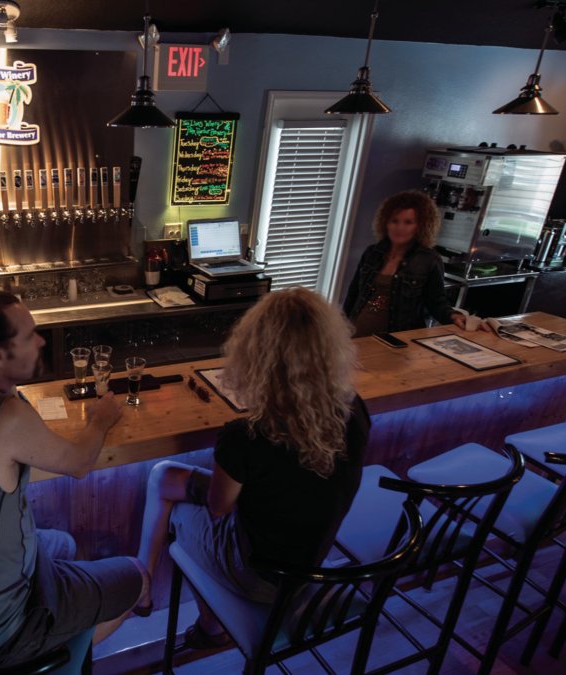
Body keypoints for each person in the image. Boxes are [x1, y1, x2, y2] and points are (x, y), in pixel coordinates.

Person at [0, 291, 148, 669]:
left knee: (61, 543)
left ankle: (62, 631)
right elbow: (79, 462)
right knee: (140, 578)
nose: (41, 341)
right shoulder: (5, 414)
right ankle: (53, 655)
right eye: (29, 334)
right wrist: (100, 419)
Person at [133, 288, 370, 647]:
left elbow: (219, 506)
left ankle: (176, 608)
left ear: (259, 355)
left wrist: (198, 481)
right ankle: (170, 604)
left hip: (262, 576)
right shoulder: (355, 412)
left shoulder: (247, 435)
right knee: (166, 477)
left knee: (172, 500)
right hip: (313, 565)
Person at [343, 190, 466, 337]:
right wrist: (342, 327)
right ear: (385, 223)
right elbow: (353, 295)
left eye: (408, 222)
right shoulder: (372, 253)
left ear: (420, 226)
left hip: (399, 340)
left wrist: (453, 316)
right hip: (358, 335)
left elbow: (437, 302)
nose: (399, 228)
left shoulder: (429, 260)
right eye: (394, 221)